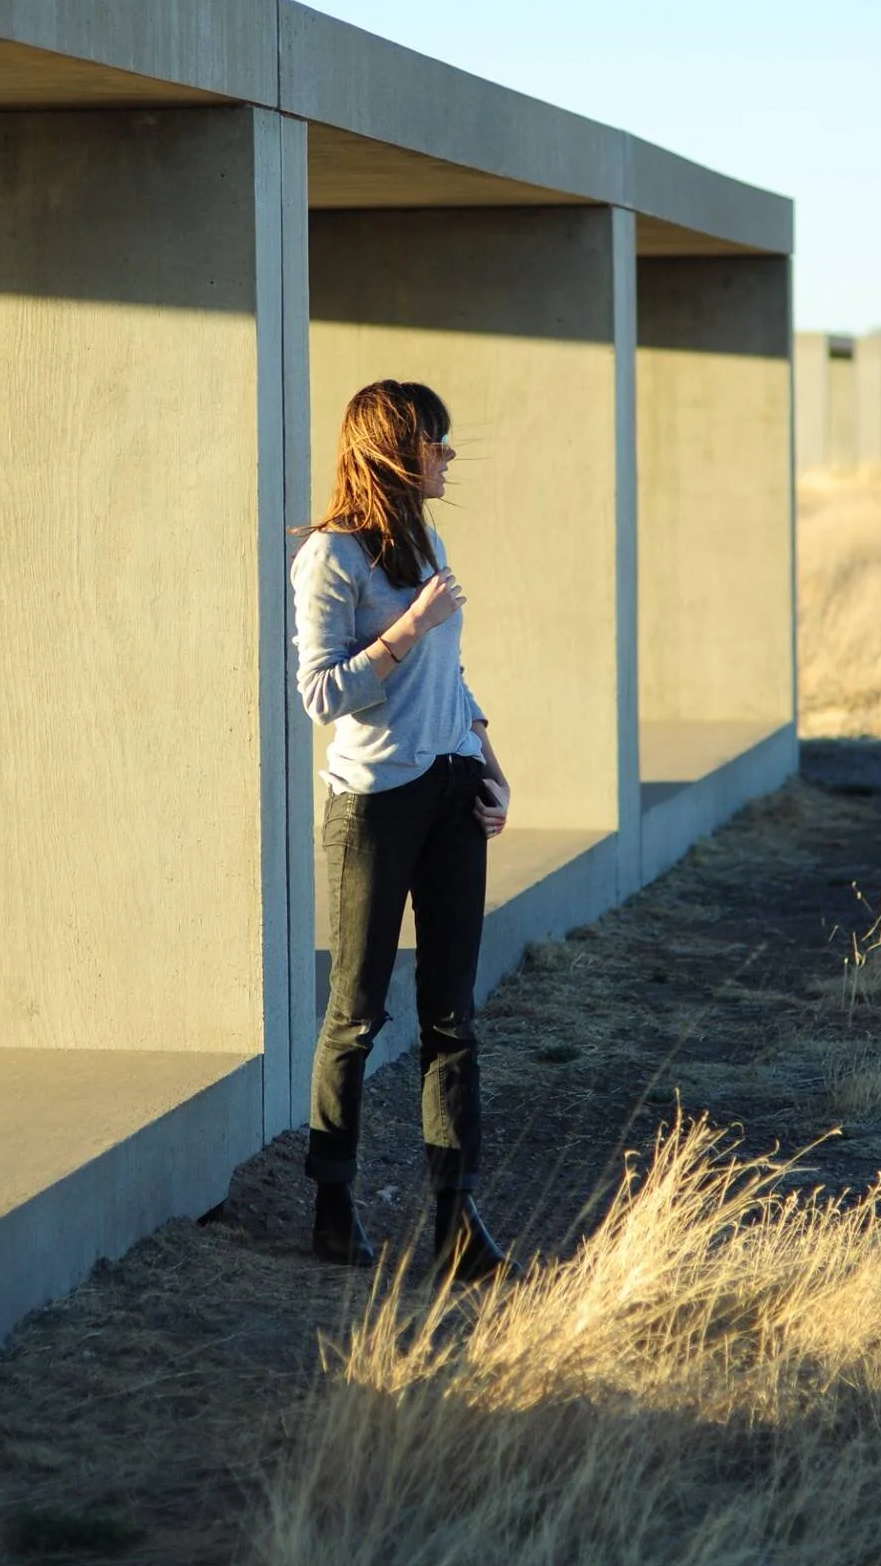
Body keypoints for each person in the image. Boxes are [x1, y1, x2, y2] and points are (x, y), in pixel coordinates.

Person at [291, 378, 517, 1281]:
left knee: (453, 1019)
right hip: (373, 806)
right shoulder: (330, 559)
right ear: (394, 448)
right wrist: (409, 629)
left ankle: (456, 1223)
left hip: (454, 789)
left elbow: (451, 684)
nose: (449, 456)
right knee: (356, 1014)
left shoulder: (429, 540)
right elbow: (320, 694)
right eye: (437, 441)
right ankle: (333, 1209)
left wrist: (494, 769)